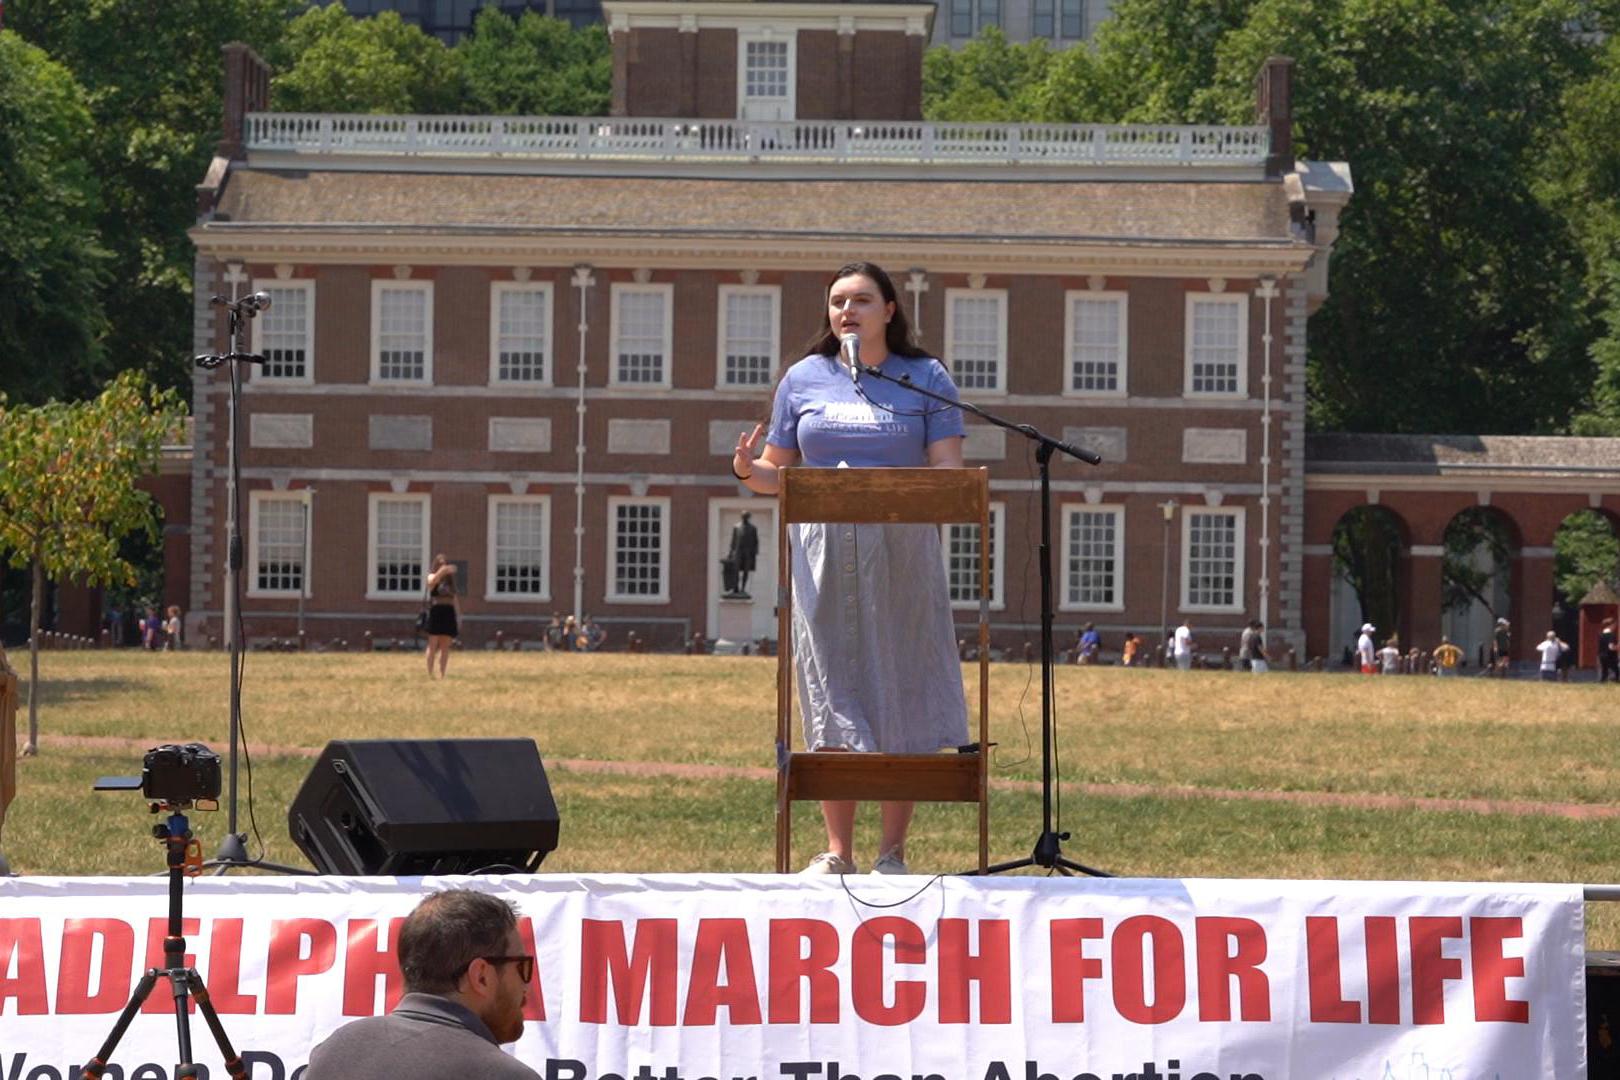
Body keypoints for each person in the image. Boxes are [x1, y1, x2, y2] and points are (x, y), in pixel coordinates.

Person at [731, 261, 967, 877]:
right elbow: (778, 473)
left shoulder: (925, 378)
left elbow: (947, 471)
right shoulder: (804, 379)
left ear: (890, 309)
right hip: (824, 552)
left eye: (862, 299)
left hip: (901, 549)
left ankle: (893, 853)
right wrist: (745, 469)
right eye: (838, 301)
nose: (847, 311)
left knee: (901, 685)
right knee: (830, 686)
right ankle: (838, 851)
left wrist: (896, 491)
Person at [304, 888, 538, 1080]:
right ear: (481, 976)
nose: (526, 989)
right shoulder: (504, 1075)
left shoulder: (335, 1051)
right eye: (522, 967)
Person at [424, 555, 459, 679]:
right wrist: (441, 571)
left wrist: (458, 616)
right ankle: (430, 673)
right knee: (433, 644)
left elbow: (455, 599)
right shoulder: (432, 576)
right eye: (440, 564)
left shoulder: (450, 582)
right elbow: (431, 583)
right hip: (436, 611)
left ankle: (442, 674)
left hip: (448, 612)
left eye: (445, 564)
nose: (443, 566)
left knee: (445, 646)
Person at [727, 512, 760, 597]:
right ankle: (735, 588)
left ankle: (743, 589)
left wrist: (755, 553)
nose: (744, 518)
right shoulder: (736, 527)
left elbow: (756, 541)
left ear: (748, 517)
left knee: (746, 571)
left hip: (747, 552)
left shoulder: (753, 528)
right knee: (736, 570)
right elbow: (733, 541)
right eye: (743, 516)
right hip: (738, 552)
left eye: (746, 517)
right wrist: (731, 553)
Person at [1601, 617, 1619, 684]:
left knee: (1604, 672)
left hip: (1601, 655)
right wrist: (1618, 646)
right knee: (1616, 670)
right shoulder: (1611, 635)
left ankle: (1603, 683)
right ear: (1612, 625)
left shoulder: (1601, 635)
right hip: (1610, 656)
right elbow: (1611, 647)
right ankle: (1616, 682)